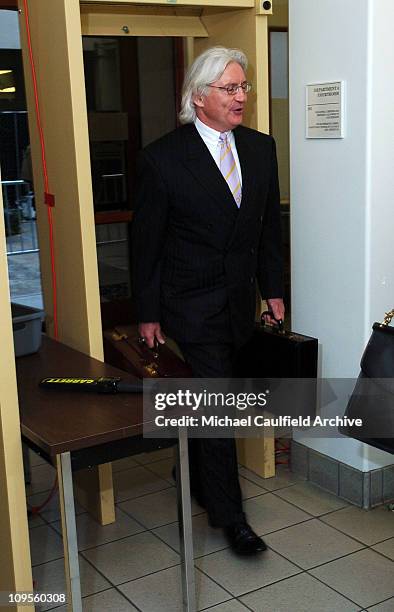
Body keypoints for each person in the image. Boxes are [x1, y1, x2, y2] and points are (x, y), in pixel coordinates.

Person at [131, 46, 284, 555]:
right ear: (199, 98)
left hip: (240, 304)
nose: (241, 97)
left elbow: (269, 231)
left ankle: (194, 469)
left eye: (244, 87)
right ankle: (230, 518)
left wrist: (274, 289)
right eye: (230, 88)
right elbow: (147, 243)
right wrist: (148, 313)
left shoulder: (261, 149)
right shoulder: (163, 159)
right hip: (191, 306)